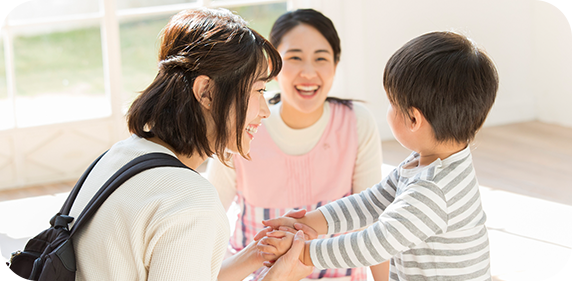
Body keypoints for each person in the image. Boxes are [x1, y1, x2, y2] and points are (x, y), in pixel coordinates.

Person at [67, 8, 311, 281]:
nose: (265, 111)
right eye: (259, 90)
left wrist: (258, 253)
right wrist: (279, 277)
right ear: (206, 92)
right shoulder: (191, 201)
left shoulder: (120, 156)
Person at [260, 31, 499, 280]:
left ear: (414, 119)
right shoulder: (429, 161)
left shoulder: (433, 191)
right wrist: (308, 222)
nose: (389, 110)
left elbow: (373, 244)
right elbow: (370, 203)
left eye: (392, 103)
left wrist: (302, 252)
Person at [206, 8, 389, 281]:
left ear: (335, 66)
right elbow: (208, 215)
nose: (308, 72)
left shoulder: (356, 122)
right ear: (272, 68)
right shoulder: (243, 121)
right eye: (294, 58)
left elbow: (374, 219)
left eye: (321, 58)